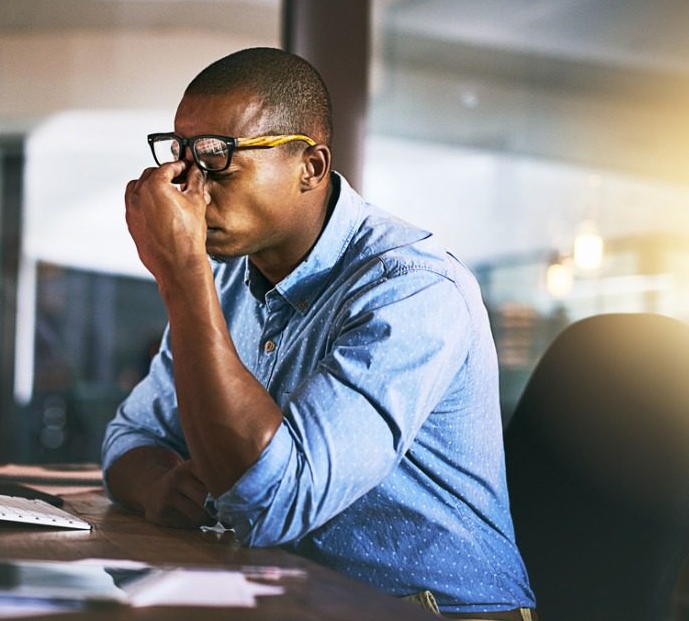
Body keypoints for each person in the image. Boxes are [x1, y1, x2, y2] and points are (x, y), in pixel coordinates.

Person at [101, 47, 536, 619]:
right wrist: (159, 487)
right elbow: (130, 435)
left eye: (217, 158)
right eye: (181, 158)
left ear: (310, 166)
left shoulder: (413, 290)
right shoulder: (228, 280)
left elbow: (272, 502)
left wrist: (181, 275)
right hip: (295, 600)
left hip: (434, 610)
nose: (190, 190)